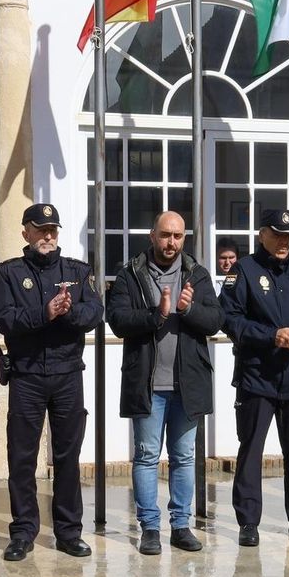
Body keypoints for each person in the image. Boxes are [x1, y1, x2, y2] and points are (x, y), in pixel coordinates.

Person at [107, 211, 224, 555]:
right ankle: (150, 529)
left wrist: (187, 311)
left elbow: (216, 319)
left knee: (184, 457)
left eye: (177, 236)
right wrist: (157, 314)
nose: (171, 243)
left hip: (188, 385)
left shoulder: (197, 274)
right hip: (148, 383)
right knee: (145, 457)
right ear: (152, 234)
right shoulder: (131, 273)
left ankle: (181, 526)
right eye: (165, 235)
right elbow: (117, 320)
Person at [0, 203, 103, 561]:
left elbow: (95, 313)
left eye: (53, 229)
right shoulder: (8, 273)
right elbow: (4, 319)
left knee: (68, 457)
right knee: (22, 458)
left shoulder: (77, 270)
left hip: (67, 375)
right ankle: (23, 531)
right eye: (41, 229)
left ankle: (69, 532)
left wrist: (69, 312)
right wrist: (45, 312)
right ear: (26, 232)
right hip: (26, 376)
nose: (48, 236)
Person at [221, 208, 289, 546]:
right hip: (257, 378)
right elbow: (230, 319)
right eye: (278, 234)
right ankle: (248, 523)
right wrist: (272, 336)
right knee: (251, 450)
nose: (284, 242)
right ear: (261, 234)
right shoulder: (244, 271)